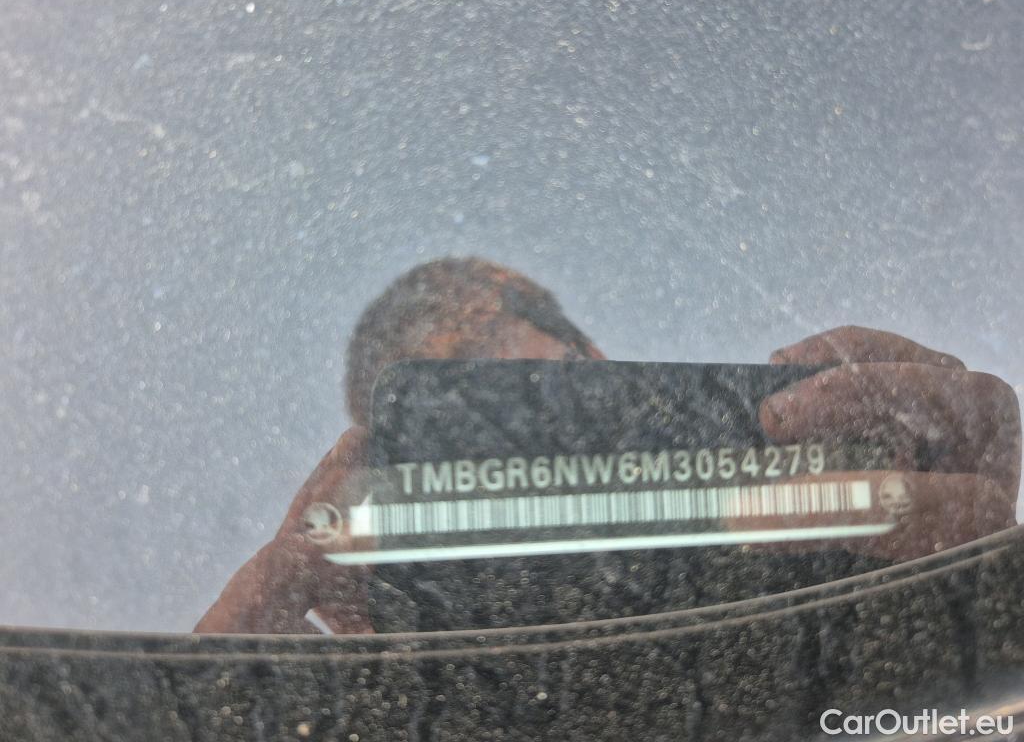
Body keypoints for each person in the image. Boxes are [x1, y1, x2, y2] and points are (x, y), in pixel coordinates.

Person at [194, 257, 1021, 634]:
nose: (530, 479)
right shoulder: (393, 701)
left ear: (599, 366)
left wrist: (979, 611)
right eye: (459, 460)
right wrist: (234, 692)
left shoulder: (813, 553)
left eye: (544, 404)